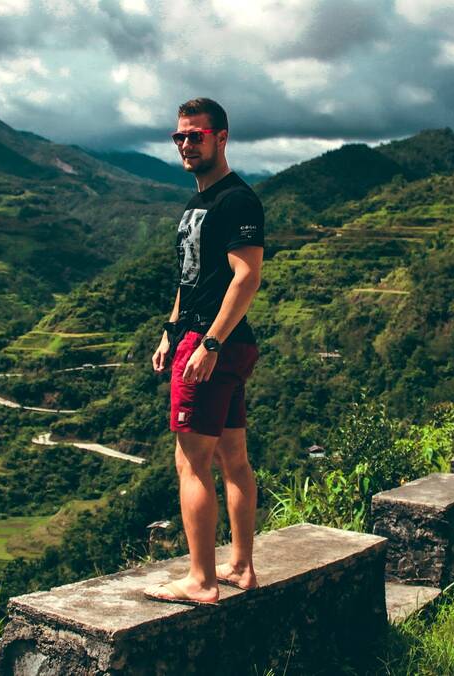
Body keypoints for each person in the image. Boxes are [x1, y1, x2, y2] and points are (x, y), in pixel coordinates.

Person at [143, 98, 265, 606]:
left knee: (190, 462)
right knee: (233, 457)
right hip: (202, 339)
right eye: (179, 137)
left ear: (221, 137)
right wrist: (169, 332)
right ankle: (240, 566)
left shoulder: (236, 200)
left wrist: (207, 342)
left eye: (196, 135)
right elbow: (190, 279)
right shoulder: (196, 205)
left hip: (214, 343)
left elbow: (247, 277)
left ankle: (201, 579)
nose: (186, 145)